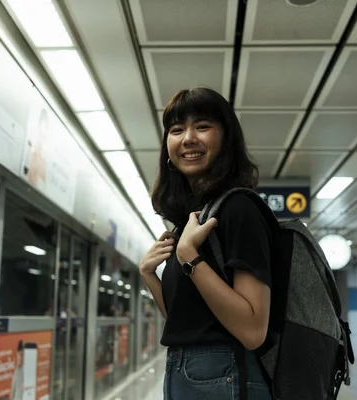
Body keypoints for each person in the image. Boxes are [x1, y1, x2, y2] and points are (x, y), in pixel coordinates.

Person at [139, 87, 273, 399]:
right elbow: (186, 323)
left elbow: (253, 330)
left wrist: (189, 257)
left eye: (202, 126)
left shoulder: (239, 209)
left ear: (226, 140)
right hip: (188, 372)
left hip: (226, 376)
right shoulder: (191, 220)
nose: (188, 138)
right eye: (176, 129)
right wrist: (149, 274)